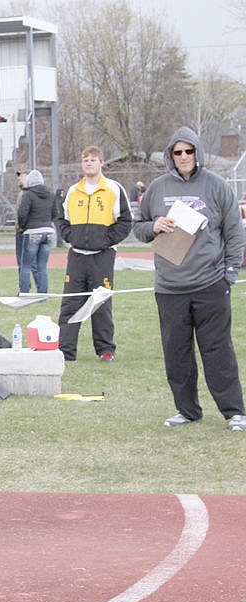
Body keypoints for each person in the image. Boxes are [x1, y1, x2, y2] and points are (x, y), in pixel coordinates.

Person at [132, 126, 246, 430]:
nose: (184, 157)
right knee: (176, 353)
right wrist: (154, 225)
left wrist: (230, 274)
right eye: (178, 152)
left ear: (198, 152)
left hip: (210, 285)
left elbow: (235, 233)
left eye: (189, 151)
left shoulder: (218, 187)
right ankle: (187, 410)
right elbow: (139, 228)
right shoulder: (157, 188)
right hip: (170, 288)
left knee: (218, 350)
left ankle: (234, 412)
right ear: (171, 155)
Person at [56, 146, 132, 362]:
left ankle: (105, 349)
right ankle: (66, 350)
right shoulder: (73, 191)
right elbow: (63, 219)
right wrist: (71, 236)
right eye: (86, 159)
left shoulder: (113, 189)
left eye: (93, 159)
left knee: (101, 304)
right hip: (77, 257)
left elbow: (125, 221)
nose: (89, 163)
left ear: (101, 163)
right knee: (71, 303)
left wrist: (107, 240)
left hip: (102, 256)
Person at [16, 169, 57, 294]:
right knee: (42, 265)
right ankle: (42, 293)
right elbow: (55, 213)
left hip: (32, 231)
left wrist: (24, 227)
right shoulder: (51, 195)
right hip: (48, 231)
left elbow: (22, 214)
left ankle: (24, 291)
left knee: (26, 265)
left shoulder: (28, 195)